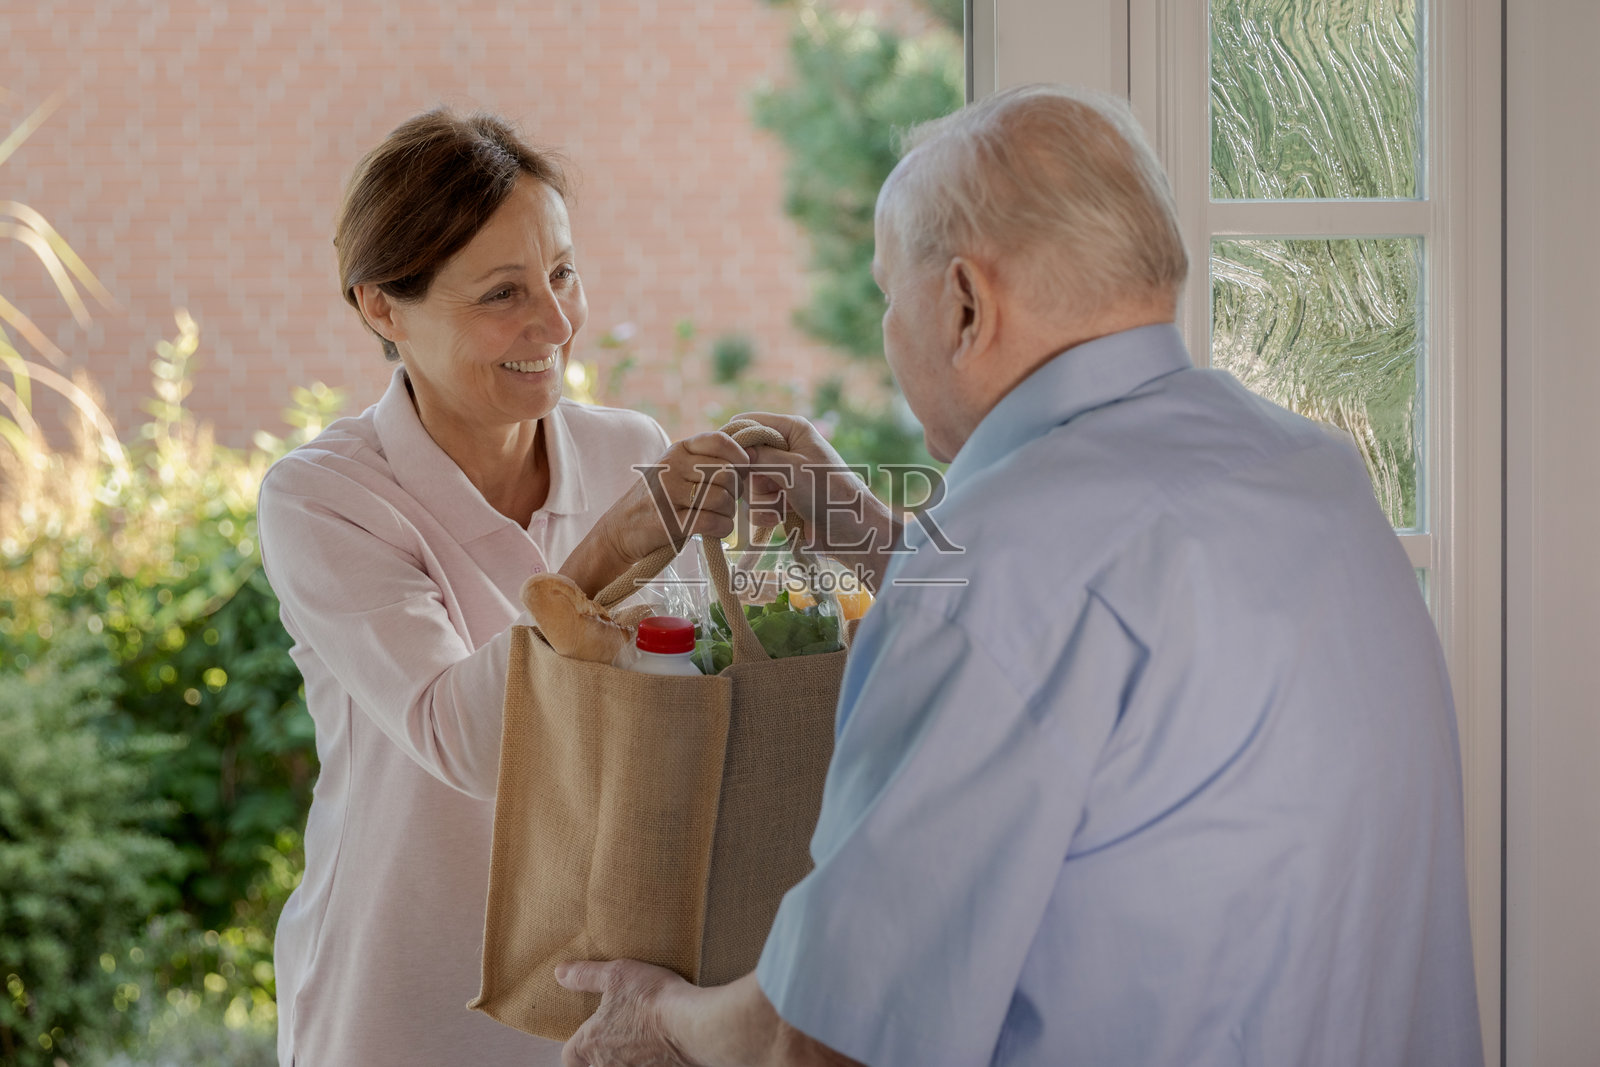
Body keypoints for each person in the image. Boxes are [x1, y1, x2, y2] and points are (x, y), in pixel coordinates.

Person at [556, 85, 1484, 1067]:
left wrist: (658, 1021)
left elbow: (819, 1038)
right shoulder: (1308, 473)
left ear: (963, 302)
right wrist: (869, 533)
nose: (885, 331)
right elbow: (1091, 636)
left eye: (886, 292)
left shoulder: (1009, 563)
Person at [256, 109, 748, 1067]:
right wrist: (604, 556)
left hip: (608, 987)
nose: (556, 324)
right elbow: (467, 740)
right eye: (502, 295)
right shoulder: (324, 498)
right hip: (404, 997)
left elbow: (675, 711)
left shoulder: (627, 452)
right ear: (382, 308)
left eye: (562, 273)